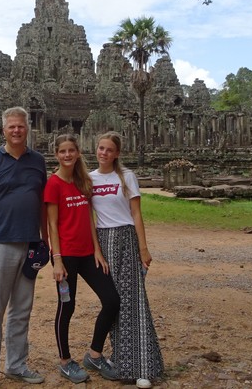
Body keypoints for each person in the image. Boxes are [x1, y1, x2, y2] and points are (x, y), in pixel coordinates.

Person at [0, 107, 48, 389]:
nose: (17, 131)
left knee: (22, 310)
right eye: (12, 127)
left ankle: (16, 365)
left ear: (28, 128)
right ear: (3, 130)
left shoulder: (37, 161)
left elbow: (42, 204)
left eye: (21, 126)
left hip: (29, 243)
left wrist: (45, 240)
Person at [90, 131, 164, 389]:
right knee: (114, 302)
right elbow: (89, 217)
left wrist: (143, 248)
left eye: (109, 150)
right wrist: (96, 249)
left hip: (126, 238)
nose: (104, 153)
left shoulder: (127, 176)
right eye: (101, 148)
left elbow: (136, 213)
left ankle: (143, 365)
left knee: (134, 300)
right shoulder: (89, 179)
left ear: (117, 153)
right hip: (103, 242)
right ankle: (121, 362)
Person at [46, 134, 120, 384]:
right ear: (56, 154)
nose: (67, 155)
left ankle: (94, 354)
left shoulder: (82, 181)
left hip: (88, 254)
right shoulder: (53, 184)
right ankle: (65, 361)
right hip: (65, 256)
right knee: (67, 306)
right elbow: (53, 226)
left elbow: (90, 218)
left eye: (71, 151)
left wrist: (97, 250)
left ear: (78, 153)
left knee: (111, 300)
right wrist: (57, 260)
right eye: (62, 151)